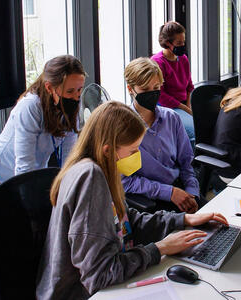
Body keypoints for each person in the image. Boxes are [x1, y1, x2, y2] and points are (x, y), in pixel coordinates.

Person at [36, 102, 228, 300]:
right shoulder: (90, 178)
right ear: (108, 150)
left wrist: (182, 220)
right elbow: (100, 275)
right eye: (133, 151)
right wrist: (159, 248)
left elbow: (126, 222)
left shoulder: (104, 170)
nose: (137, 158)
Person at [0, 55, 85, 204]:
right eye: (69, 91)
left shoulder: (70, 108)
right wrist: (32, 207)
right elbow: (25, 165)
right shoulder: (30, 107)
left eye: (79, 90)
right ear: (49, 88)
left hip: (30, 178)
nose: (76, 97)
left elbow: (68, 160)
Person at [122, 57, 203, 213]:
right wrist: (169, 193)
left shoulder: (172, 118)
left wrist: (192, 193)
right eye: (145, 89)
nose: (152, 93)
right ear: (130, 89)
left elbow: (187, 162)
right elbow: (125, 182)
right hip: (150, 200)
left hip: (180, 188)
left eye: (156, 87)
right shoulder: (122, 127)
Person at [151, 21, 195, 146]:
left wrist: (188, 106)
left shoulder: (183, 58)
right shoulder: (158, 62)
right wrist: (185, 109)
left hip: (183, 104)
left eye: (183, 42)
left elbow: (189, 86)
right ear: (168, 43)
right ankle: (190, 163)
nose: (182, 45)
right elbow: (160, 95)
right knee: (192, 132)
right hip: (166, 106)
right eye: (179, 43)